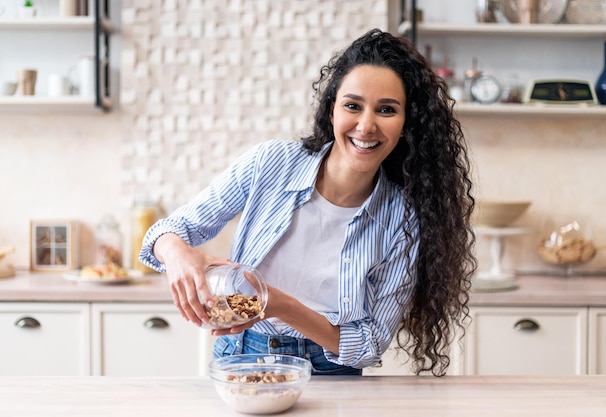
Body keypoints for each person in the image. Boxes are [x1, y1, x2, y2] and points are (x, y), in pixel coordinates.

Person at [139, 28, 476, 376]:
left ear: (406, 124)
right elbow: (167, 232)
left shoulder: (403, 219)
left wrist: (279, 305)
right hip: (240, 357)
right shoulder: (271, 163)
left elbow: (369, 345)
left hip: (331, 370)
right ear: (332, 111)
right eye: (352, 106)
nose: (366, 125)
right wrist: (177, 255)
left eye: (386, 110)